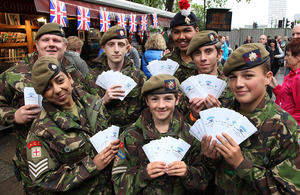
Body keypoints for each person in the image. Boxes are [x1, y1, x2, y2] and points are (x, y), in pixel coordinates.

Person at [201, 43, 300, 194]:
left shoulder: (285, 128)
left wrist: (241, 164)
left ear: (268, 78)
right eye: (233, 77)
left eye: (248, 75)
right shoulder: (222, 115)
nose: (239, 84)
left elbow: (287, 191)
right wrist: (211, 159)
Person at [0, 22, 83, 194]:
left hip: (76, 159)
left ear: (65, 46)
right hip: (36, 159)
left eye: (56, 40)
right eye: (45, 40)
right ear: (36, 45)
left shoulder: (74, 71)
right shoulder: (13, 74)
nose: (51, 44)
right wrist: (13, 115)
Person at [26, 56, 119, 193]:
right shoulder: (40, 131)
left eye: (60, 81)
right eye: (48, 87)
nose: (57, 89)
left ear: (70, 78)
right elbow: (43, 181)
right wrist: (91, 166)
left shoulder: (93, 104)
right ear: (42, 94)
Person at [112, 74, 211, 194]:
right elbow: (118, 185)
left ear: (177, 99)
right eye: (154, 99)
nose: (161, 105)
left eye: (168, 98)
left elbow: (206, 180)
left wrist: (187, 172)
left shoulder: (191, 135)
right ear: (147, 101)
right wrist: (144, 174)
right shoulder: (130, 136)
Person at [84, 26, 146, 132]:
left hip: (131, 138)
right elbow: (84, 113)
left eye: (121, 45)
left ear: (127, 48)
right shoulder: (91, 77)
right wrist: (103, 101)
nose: (116, 50)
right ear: (104, 48)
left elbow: (146, 110)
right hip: (102, 135)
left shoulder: (139, 77)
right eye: (111, 45)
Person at [178, 30, 234, 124]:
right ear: (192, 58)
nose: (203, 58)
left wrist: (218, 113)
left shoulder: (231, 85)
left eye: (208, 52)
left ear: (219, 54)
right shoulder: (186, 87)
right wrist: (193, 115)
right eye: (197, 53)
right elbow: (180, 127)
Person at [161, 0, 199, 83]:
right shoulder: (165, 62)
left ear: (197, 31)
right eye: (176, 32)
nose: (181, 37)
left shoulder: (207, 61)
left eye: (187, 31)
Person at [269, 38, 300, 124]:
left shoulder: (298, 79)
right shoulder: (291, 76)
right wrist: (276, 87)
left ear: (298, 57)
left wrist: (284, 121)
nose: (285, 58)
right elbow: (287, 99)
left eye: (288, 55)